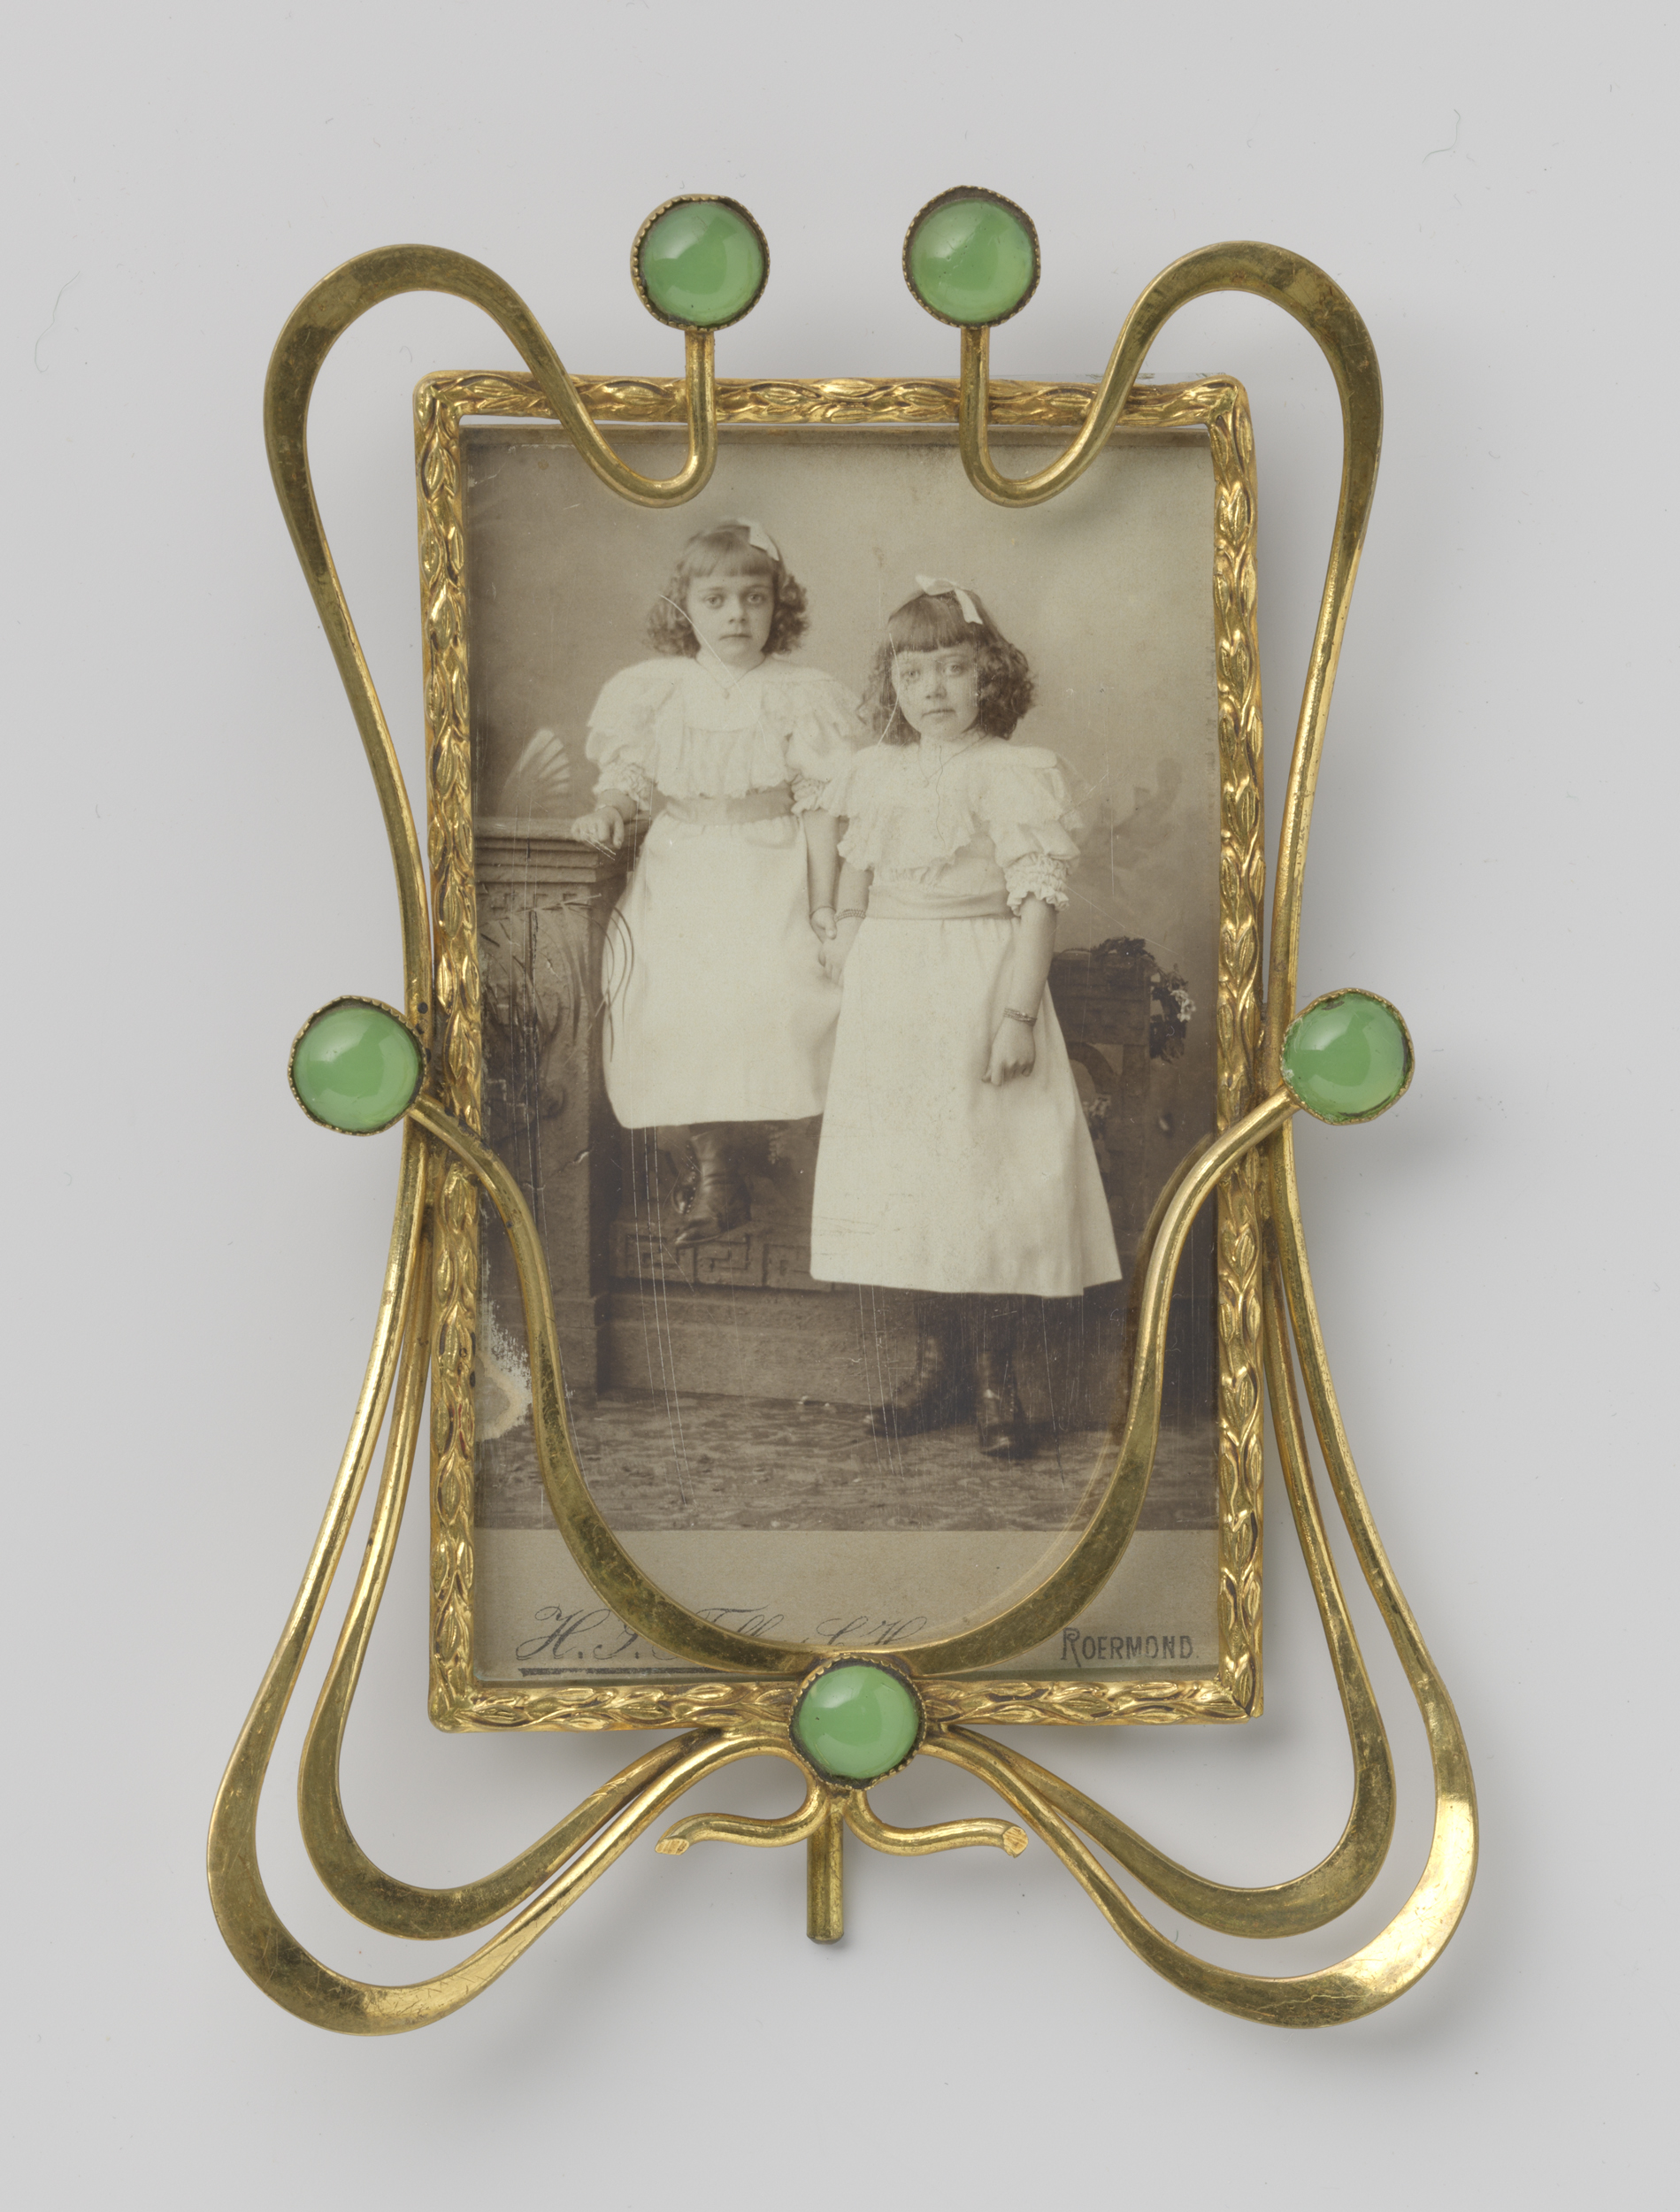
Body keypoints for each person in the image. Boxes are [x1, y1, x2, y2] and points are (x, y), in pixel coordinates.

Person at [809, 579, 1121, 1457]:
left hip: (980, 979)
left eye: (952, 668)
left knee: (986, 1179)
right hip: (892, 989)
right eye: (912, 673)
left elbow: (1037, 901)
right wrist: (845, 940)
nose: (932, 690)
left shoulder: (1015, 771)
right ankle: (933, 1367)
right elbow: (858, 872)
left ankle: (994, 1379)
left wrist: (1017, 1014)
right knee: (914, 1182)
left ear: (990, 675)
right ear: (892, 682)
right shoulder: (875, 771)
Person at [570, 520, 857, 1245]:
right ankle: (714, 1175)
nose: (736, 615)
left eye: (754, 598)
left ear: (777, 606)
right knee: (675, 1001)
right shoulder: (654, 689)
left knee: (777, 998)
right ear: (685, 606)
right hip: (682, 867)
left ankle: (783, 1167)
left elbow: (820, 805)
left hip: (773, 865)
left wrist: (823, 906)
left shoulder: (804, 693)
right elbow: (631, 776)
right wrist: (611, 809)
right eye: (716, 599)